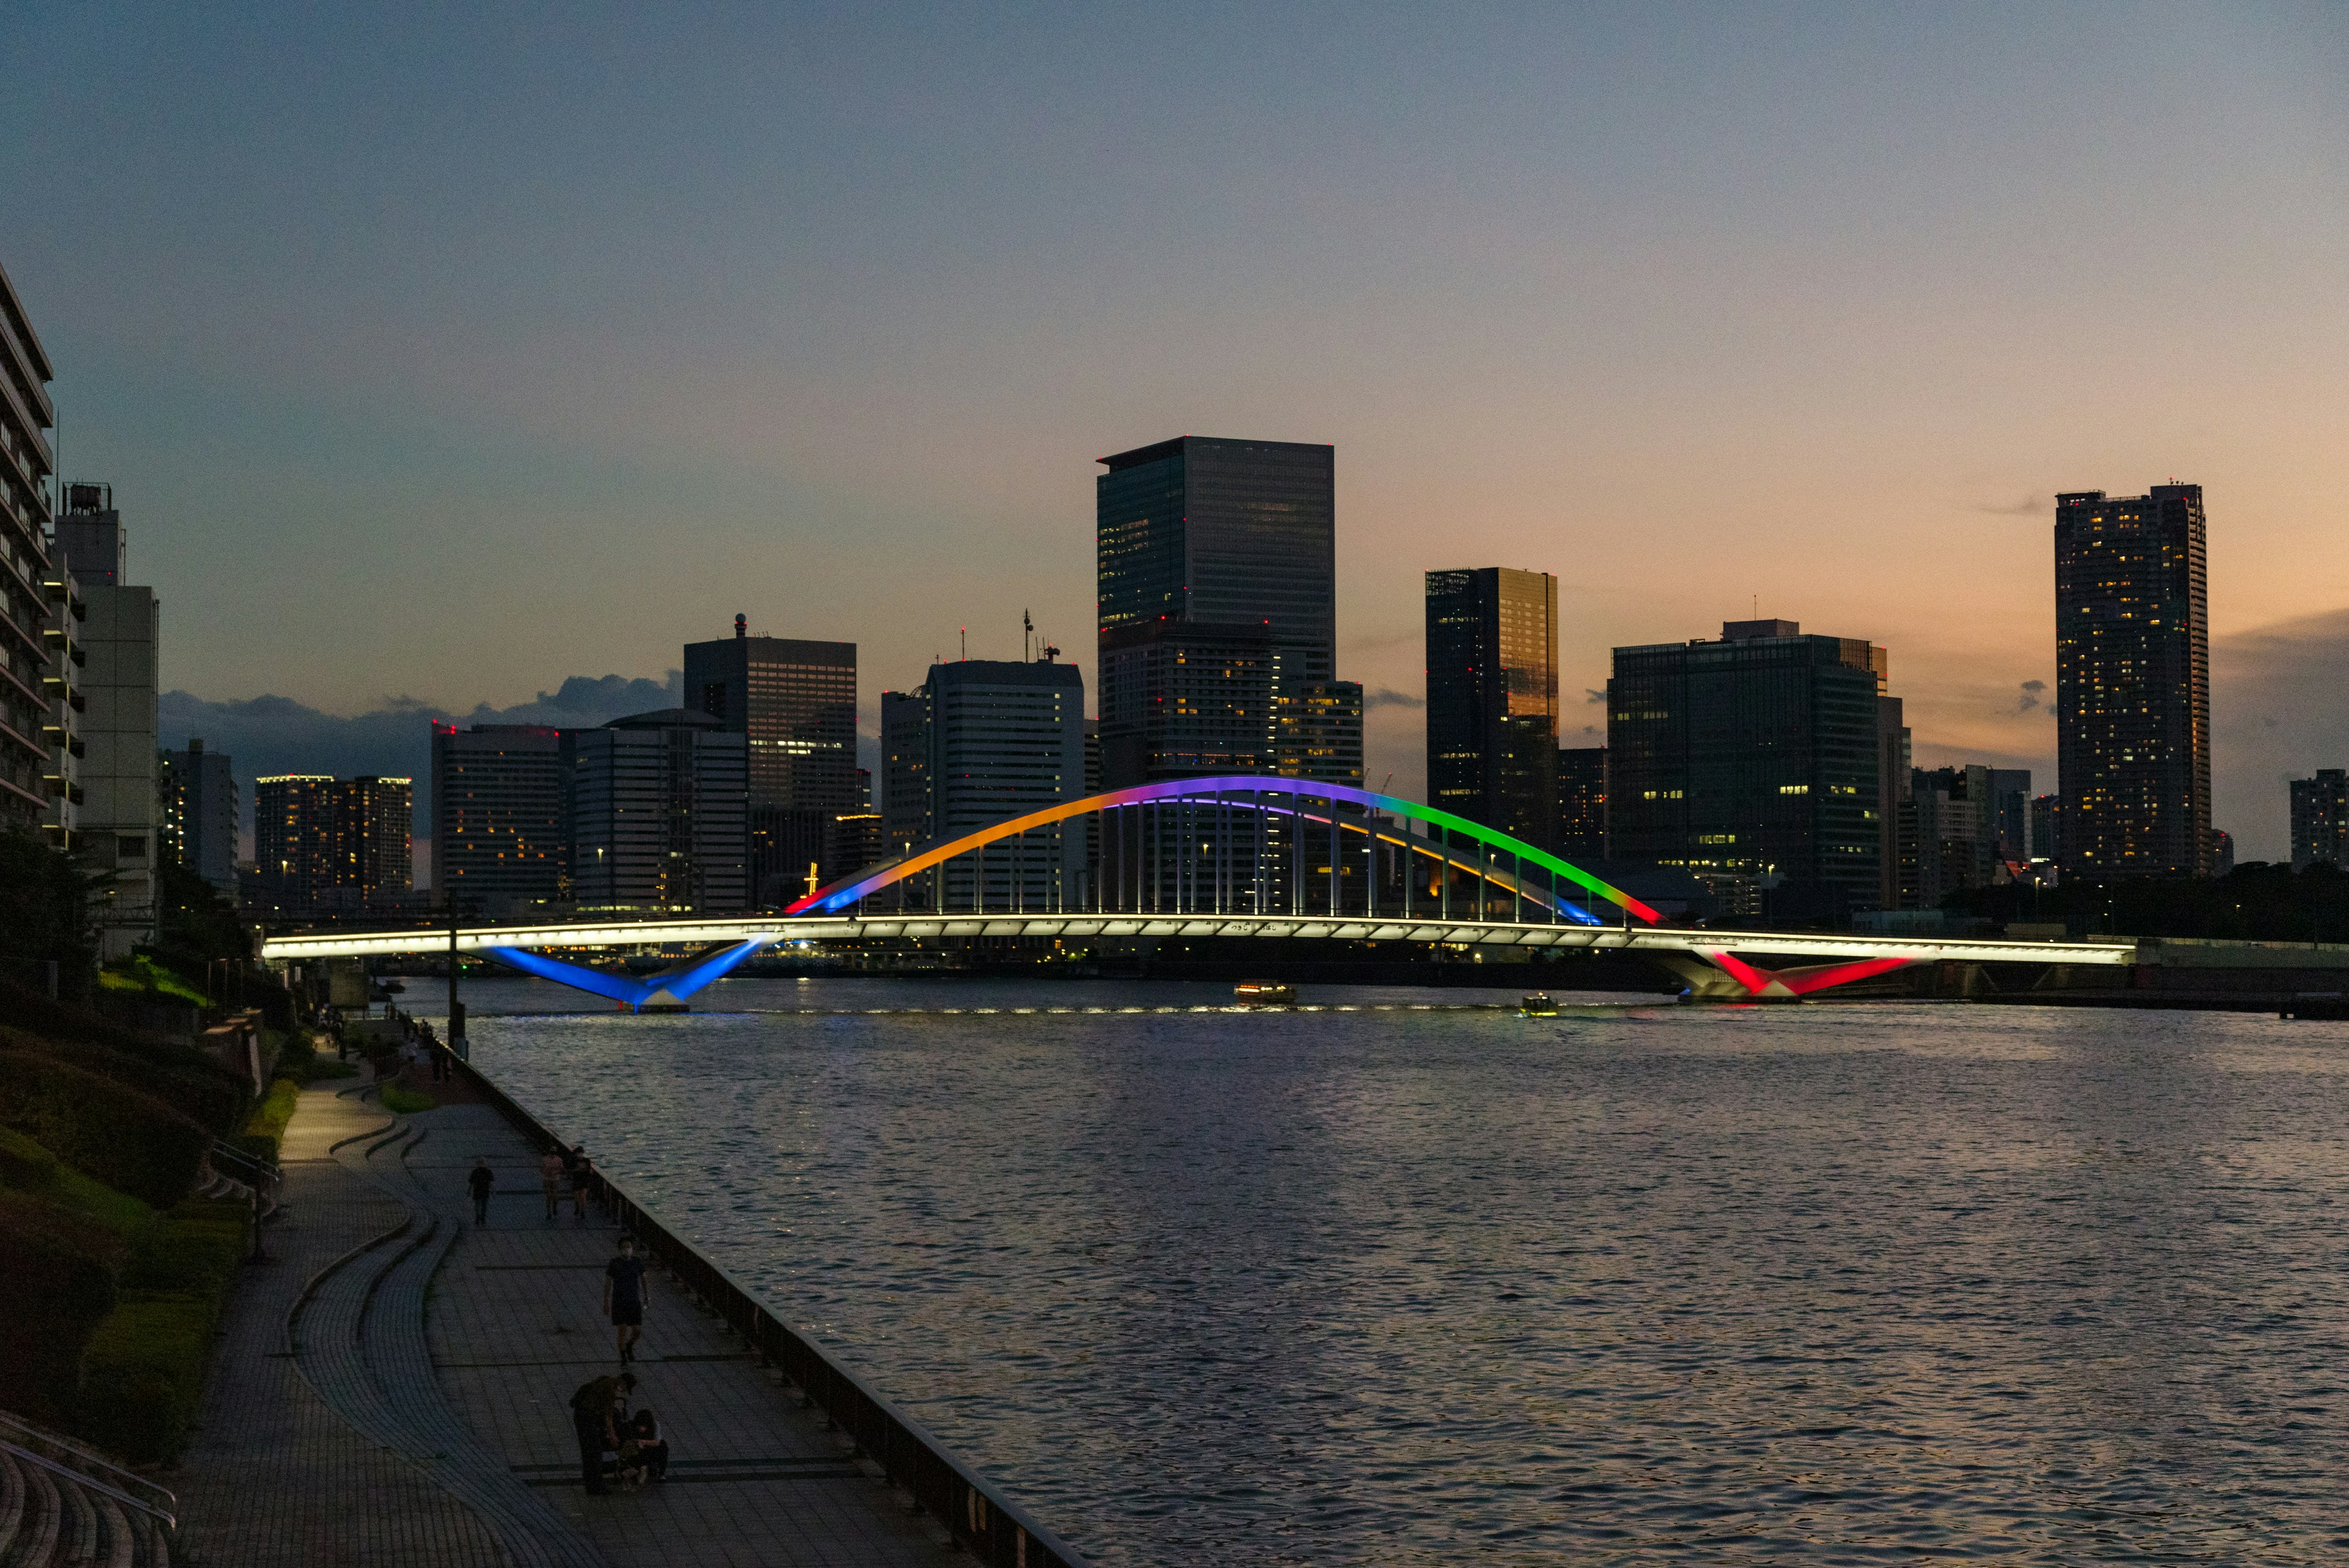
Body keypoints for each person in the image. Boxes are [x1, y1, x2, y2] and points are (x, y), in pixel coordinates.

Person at [568, 1371, 636, 1495]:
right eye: (626, 1388)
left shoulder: (606, 1380)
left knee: (589, 1452)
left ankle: (591, 1483)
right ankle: (595, 1485)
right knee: (594, 1453)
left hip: (582, 1416)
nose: (623, 1391)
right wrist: (613, 1435)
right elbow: (608, 1415)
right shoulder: (610, 1388)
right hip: (586, 1418)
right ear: (623, 1382)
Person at [604, 1235, 648, 1363]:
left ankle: (629, 1345)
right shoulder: (614, 1264)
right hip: (619, 1302)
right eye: (623, 1247)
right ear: (619, 1250)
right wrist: (606, 1301)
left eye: (628, 1247)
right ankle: (623, 1356)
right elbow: (608, 1283)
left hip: (634, 1301)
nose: (626, 1249)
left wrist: (647, 1296)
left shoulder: (637, 1262)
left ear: (632, 1248)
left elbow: (644, 1279)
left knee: (637, 1330)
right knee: (622, 1329)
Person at [625, 1408, 668, 1484]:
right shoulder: (631, 1426)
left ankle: (661, 1474)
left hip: (650, 1447)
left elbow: (657, 1442)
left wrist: (644, 1442)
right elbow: (629, 1440)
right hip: (637, 1449)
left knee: (663, 1446)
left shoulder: (655, 1425)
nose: (642, 1428)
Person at [568, 1143, 593, 1221]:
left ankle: (583, 1211)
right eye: (579, 1153)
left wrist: (589, 1173)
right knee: (577, 1197)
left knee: (583, 1196)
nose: (580, 1154)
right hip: (576, 1180)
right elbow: (570, 1170)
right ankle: (577, 1207)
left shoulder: (587, 1161)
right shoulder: (573, 1161)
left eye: (581, 1153)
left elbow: (590, 1170)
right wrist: (577, 1170)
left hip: (584, 1180)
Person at [467, 1157, 494, 1225]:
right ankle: (483, 1219)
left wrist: (469, 1191)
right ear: (485, 1163)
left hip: (477, 1190)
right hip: (485, 1191)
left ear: (477, 1164)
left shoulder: (475, 1172)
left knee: (477, 1205)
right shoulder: (488, 1171)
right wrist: (492, 1190)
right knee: (484, 1206)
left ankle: (478, 1217)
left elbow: (471, 1183)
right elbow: (490, 1183)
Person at [540, 1147, 565, 1221]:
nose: (553, 1153)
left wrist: (556, 1172)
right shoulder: (544, 1159)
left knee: (555, 1197)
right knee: (548, 1196)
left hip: (555, 1179)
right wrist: (546, 1173)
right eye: (552, 1152)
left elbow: (562, 1170)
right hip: (547, 1179)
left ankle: (554, 1207)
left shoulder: (559, 1160)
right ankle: (549, 1213)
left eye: (554, 1152)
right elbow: (541, 1169)